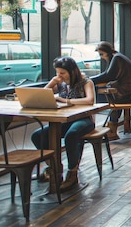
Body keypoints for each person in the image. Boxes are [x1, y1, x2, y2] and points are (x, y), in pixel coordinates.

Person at [31, 56, 96, 191]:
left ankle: (72, 172)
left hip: (84, 119)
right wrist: (51, 82)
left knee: (71, 135)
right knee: (37, 136)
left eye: (62, 73)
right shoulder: (59, 83)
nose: (59, 76)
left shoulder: (85, 81)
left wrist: (65, 101)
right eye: (57, 73)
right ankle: (54, 166)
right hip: (64, 119)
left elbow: (90, 100)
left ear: (72, 71)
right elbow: (41, 95)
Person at [89, 41, 131, 140]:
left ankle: (112, 130)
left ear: (106, 52)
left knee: (112, 101)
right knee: (112, 98)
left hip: (126, 91)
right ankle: (112, 128)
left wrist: (90, 80)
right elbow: (108, 75)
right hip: (129, 91)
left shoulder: (117, 58)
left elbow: (108, 75)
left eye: (101, 54)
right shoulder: (117, 56)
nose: (101, 57)